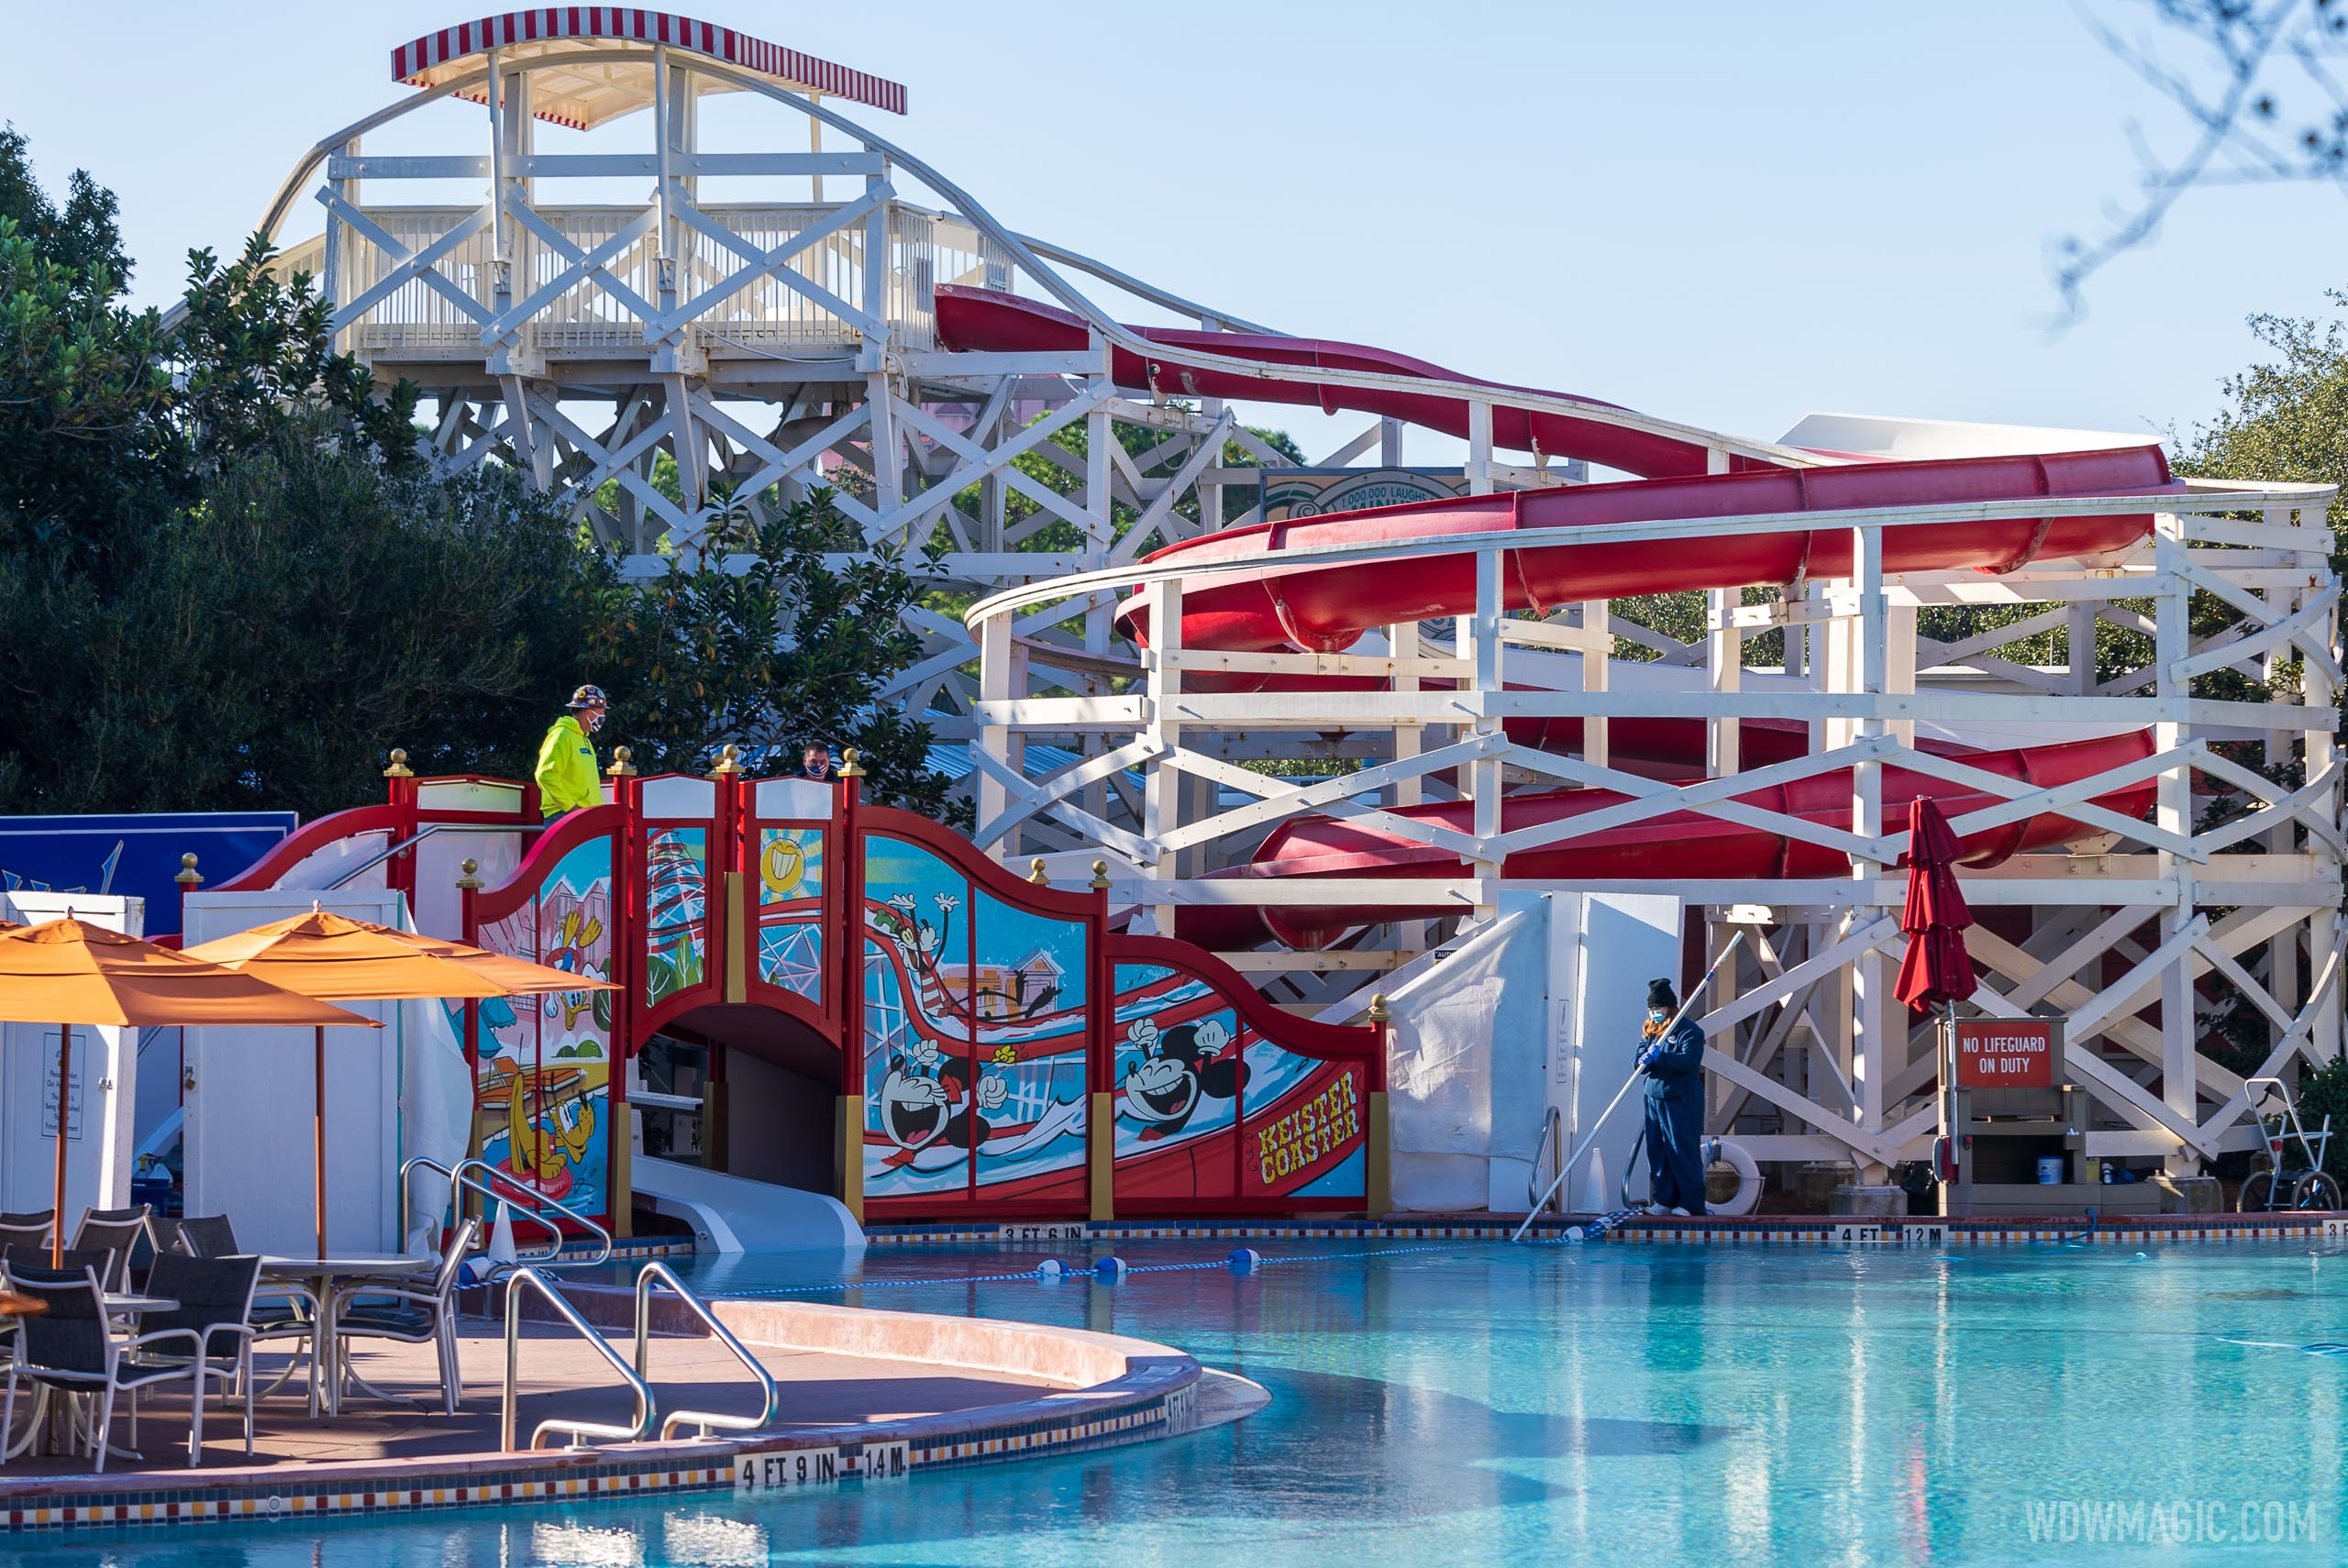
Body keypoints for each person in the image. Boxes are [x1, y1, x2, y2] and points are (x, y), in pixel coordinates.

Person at [1635, 976, 1708, 1216]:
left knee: (1682, 1149)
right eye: (1651, 1009)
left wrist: (1661, 1058)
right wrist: (1642, 1060)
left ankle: (1690, 1203)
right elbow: (1638, 1061)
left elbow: (1689, 1062)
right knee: (1657, 1151)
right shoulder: (1651, 1031)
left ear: (1670, 1007)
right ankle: (1664, 1199)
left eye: (1658, 1008)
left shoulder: (1690, 1031)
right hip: (1654, 1098)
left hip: (1681, 1098)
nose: (1654, 1012)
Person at [535, 685, 608, 820]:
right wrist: (572, 809)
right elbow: (545, 775)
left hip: (584, 815)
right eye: (601, 711)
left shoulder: (584, 739)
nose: (603, 716)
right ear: (588, 712)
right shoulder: (561, 735)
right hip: (564, 815)